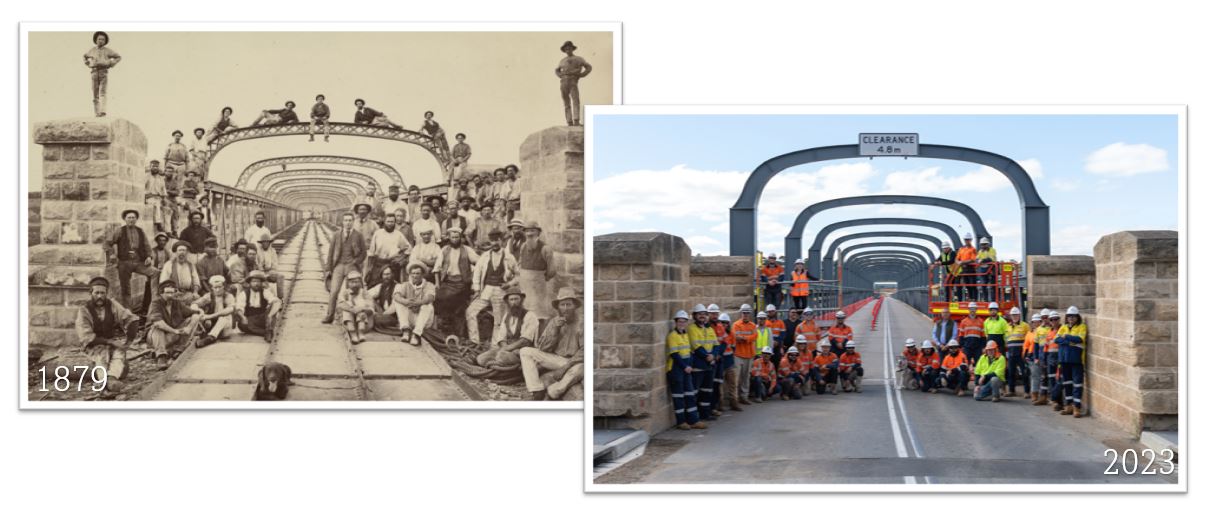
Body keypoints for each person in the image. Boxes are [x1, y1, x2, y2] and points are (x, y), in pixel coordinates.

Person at [518, 287, 584, 401]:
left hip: (573, 362)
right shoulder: (554, 321)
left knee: (583, 367)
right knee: (525, 351)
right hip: (557, 359)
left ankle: (555, 391)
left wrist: (565, 368)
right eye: (562, 305)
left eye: (569, 305)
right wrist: (555, 330)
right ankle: (536, 390)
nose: (565, 309)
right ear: (558, 307)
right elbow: (543, 348)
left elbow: (585, 351)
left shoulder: (582, 323)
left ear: (575, 306)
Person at [75, 277, 139, 391]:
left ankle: (111, 378)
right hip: (93, 345)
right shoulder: (84, 310)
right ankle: (102, 381)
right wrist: (110, 342)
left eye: (103, 293)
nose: (100, 296)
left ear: (106, 293)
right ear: (91, 293)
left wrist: (128, 342)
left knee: (119, 353)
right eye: (96, 293)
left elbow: (131, 319)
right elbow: (86, 337)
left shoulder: (112, 304)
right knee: (101, 355)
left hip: (111, 342)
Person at [466, 230, 517, 344]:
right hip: (486, 290)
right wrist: (477, 289)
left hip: (500, 291)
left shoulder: (509, 257)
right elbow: (477, 272)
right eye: (492, 241)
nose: (494, 243)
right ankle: (474, 341)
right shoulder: (485, 256)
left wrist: (509, 284)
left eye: (497, 240)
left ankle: (495, 346)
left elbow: (518, 275)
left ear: (501, 241)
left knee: (498, 321)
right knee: (470, 312)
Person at [104, 209, 158, 314]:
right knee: (126, 289)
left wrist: (149, 257)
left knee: (155, 272)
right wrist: (112, 254)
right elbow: (107, 243)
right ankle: (128, 313)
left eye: (133, 217)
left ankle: (154, 303)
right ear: (125, 219)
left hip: (138, 262)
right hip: (124, 263)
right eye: (129, 217)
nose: (131, 220)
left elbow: (147, 246)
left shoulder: (140, 231)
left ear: (136, 219)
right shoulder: (119, 231)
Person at [476, 286, 539, 367]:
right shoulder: (506, 316)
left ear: (521, 300)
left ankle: (507, 365)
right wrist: (505, 347)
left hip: (523, 351)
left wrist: (508, 349)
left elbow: (525, 340)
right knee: (481, 359)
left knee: (501, 357)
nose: (514, 302)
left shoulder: (530, 315)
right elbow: (502, 337)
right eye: (511, 300)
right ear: (508, 302)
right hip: (507, 350)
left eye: (516, 299)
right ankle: (500, 363)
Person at [146, 279, 202, 370]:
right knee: (157, 327)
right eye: (167, 293)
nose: (170, 296)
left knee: (192, 319)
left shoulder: (177, 303)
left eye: (172, 293)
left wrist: (190, 326)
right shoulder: (155, 303)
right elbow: (158, 323)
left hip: (172, 335)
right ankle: (161, 356)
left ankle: (179, 349)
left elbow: (193, 313)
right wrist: (174, 331)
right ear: (161, 293)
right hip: (156, 338)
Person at [322, 212, 367, 324]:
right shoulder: (337, 235)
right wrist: (328, 268)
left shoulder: (358, 235)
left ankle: (355, 316)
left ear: (353, 222)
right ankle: (329, 316)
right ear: (342, 222)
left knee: (354, 290)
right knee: (334, 291)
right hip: (339, 265)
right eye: (346, 220)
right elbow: (331, 252)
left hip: (352, 266)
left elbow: (363, 253)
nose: (348, 223)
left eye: (350, 220)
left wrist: (356, 261)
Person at [435, 228, 479, 338]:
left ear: (461, 238)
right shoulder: (444, 250)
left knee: (459, 307)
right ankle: (444, 330)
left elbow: (479, 263)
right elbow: (437, 268)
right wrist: (437, 283)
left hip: (462, 283)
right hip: (448, 282)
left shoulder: (467, 250)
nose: (455, 239)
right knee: (440, 300)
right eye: (453, 237)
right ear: (449, 238)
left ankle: (459, 333)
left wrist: (473, 277)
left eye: (457, 237)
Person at [665, 310, 706, 430]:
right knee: (679, 397)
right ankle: (681, 422)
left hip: (686, 368)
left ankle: (694, 421)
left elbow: (689, 352)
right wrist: (685, 367)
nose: (682, 324)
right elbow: (675, 354)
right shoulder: (672, 336)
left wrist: (690, 365)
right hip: (676, 369)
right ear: (676, 322)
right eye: (680, 321)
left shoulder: (685, 335)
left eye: (684, 322)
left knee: (690, 395)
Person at [516, 221, 557, 319]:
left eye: (533, 231)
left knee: (539, 311)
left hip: (538, 285)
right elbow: (520, 263)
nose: (529, 233)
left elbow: (552, 270)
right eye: (527, 231)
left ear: (538, 233)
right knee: (525, 308)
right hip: (524, 284)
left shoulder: (546, 248)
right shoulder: (523, 246)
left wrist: (541, 278)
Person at [1053, 306, 1088, 417]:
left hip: (1076, 360)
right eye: (1069, 316)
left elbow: (1080, 339)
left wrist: (1066, 337)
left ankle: (1076, 408)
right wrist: (1069, 341)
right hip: (1064, 360)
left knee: (1077, 384)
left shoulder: (1082, 327)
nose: (1071, 318)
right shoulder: (1063, 327)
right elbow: (1056, 339)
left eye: (1073, 316)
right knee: (1067, 383)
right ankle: (1068, 406)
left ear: (1077, 317)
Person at [392, 263, 437, 346]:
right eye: (413, 273)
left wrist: (418, 302)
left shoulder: (429, 285)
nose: (415, 276)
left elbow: (430, 297)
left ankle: (416, 335)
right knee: (399, 303)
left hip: (424, 320)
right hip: (410, 319)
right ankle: (406, 330)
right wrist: (405, 301)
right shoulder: (405, 285)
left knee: (427, 306)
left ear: (422, 274)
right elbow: (396, 296)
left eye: (417, 273)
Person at [687, 305, 719, 418]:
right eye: (699, 314)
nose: (702, 316)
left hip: (709, 365)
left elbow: (716, 344)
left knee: (707, 391)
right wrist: (707, 356)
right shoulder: (691, 328)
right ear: (694, 316)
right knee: (695, 392)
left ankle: (705, 414)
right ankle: (694, 416)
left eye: (704, 314)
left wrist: (713, 355)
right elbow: (696, 346)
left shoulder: (709, 329)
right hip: (698, 365)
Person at [365, 212, 410, 289]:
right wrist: (369, 269)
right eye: (388, 221)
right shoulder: (378, 233)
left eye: (392, 222)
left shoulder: (398, 234)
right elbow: (371, 253)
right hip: (379, 263)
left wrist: (400, 259)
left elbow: (408, 249)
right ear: (384, 222)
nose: (390, 224)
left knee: (392, 286)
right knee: (374, 285)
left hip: (392, 264)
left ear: (395, 223)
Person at [192, 275, 236, 348]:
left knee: (224, 317)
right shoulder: (209, 296)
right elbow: (194, 304)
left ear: (223, 287)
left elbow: (230, 309)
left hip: (225, 327)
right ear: (212, 288)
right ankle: (206, 335)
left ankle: (210, 338)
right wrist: (200, 312)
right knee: (196, 316)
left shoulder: (228, 296)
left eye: (220, 287)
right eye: (215, 287)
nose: (217, 290)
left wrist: (210, 316)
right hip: (211, 324)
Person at [236, 270, 281, 342]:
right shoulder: (244, 293)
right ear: (250, 283)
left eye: (258, 281)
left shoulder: (265, 291)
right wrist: (243, 317)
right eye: (254, 281)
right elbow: (239, 308)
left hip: (263, 317)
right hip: (250, 318)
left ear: (261, 283)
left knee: (274, 305)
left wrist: (270, 315)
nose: (256, 284)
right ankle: (266, 332)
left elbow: (276, 302)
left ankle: (267, 329)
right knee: (241, 325)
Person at [554, 40, 592, 126]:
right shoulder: (562, 61)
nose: (568, 50)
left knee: (575, 100)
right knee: (566, 102)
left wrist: (582, 74)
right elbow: (556, 70)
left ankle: (576, 120)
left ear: (572, 49)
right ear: (564, 50)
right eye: (566, 49)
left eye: (569, 48)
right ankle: (569, 121)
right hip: (563, 82)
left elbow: (588, 67)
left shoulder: (578, 59)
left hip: (573, 81)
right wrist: (560, 75)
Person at [83, 31, 120, 117]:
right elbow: (84, 56)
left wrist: (110, 63)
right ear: (96, 40)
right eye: (99, 39)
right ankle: (97, 113)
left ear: (105, 41)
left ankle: (103, 111)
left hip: (103, 72)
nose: (101, 41)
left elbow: (118, 57)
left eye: (103, 39)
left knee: (103, 92)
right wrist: (88, 64)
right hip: (94, 72)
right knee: (95, 94)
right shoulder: (92, 50)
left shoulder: (108, 51)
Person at [730, 304, 758, 406]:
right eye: (744, 313)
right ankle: (735, 399)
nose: (745, 315)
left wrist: (745, 338)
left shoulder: (753, 325)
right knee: (736, 378)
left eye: (747, 313)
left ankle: (744, 397)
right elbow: (736, 337)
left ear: (749, 314)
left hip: (749, 354)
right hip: (738, 354)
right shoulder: (735, 325)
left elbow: (755, 336)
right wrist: (748, 338)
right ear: (741, 313)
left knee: (746, 378)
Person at [337, 271, 375, 344]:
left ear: (360, 283)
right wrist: (352, 309)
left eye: (357, 282)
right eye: (352, 282)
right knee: (347, 307)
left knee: (361, 303)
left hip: (364, 322)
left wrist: (362, 308)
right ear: (348, 283)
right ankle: (353, 334)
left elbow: (371, 306)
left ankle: (361, 332)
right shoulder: (345, 293)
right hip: (349, 323)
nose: (354, 285)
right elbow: (340, 304)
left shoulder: (364, 293)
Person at [1003, 306, 1031, 397]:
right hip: (1011, 352)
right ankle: (1011, 390)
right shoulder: (1007, 326)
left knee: (1024, 372)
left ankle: (1027, 391)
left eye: (1016, 315)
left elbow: (1028, 339)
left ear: (1019, 315)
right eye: (1013, 315)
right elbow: (1006, 339)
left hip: (1021, 353)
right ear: (1011, 316)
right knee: (1011, 372)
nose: (1015, 317)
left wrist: (1026, 352)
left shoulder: (1025, 325)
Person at [1043, 310, 1064, 410]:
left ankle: (1056, 399)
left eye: (1056, 319)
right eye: (1052, 319)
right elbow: (1046, 347)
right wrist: (1044, 359)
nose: (1054, 321)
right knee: (1052, 380)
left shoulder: (1063, 330)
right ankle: (1056, 403)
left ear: (1059, 320)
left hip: (1060, 358)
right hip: (1051, 359)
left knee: (1059, 380)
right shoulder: (1049, 333)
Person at [1025, 312, 1046, 404]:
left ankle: (1043, 395)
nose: (1036, 324)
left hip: (1042, 355)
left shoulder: (1043, 331)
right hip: (1032, 356)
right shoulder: (1029, 333)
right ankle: (1034, 394)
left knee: (1043, 376)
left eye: (1038, 322)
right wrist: (1025, 355)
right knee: (1035, 376)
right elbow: (1026, 345)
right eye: (1034, 322)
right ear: (1032, 323)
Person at [255, 234, 285, 299]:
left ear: (269, 243)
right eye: (264, 242)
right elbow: (257, 263)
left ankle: (280, 298)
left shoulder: (273, 251)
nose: (265, 243)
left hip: (270, 271)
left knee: (280, 277)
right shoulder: (257, 251)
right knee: (262, 279)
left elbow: (275, 264)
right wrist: (262, 272)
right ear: (261, 243)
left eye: (267, 242)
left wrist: (271, 273)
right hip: (260, 272)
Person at [958, 302, 986, 366]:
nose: (972, 310)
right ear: (969, 309)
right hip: (967, 347)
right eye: (971, 309)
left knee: (978, 365)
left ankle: (977, 376)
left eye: (974, 309)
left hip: (977, 347)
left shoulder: (981, 321)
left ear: (976, 309)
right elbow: (961, 335)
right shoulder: (963, 322)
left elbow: (983, 336)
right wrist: (962, 347)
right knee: (966, 364)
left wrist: (983, 347)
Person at [144, 161, 168, 233]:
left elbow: (163, 189)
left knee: (168, 209)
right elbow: (142, 187)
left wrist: (164, 198)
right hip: (149, 197)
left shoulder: (160, 178)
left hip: (159, 197)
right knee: (156, 205)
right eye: (153, 166)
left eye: (156, 166)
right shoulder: (146, 176)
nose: (155, 168)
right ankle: (158, 223)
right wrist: (144, 197)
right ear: (150, 167)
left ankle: (168, 230)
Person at [955, 233, 978, 301]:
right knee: (967, 285)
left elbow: (972, 259)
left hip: (971, 269)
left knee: (973, 285)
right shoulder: (961, 249)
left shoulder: (973, 249)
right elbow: (957, 258)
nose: (967, 241)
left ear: (971, 240)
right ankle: (970, 298)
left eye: (968, 240)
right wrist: (959, 262)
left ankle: (974, 299)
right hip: (964, 269)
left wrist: (962, 262)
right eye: (966, 240)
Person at [975, 237, 998, 301]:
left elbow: (991, 259)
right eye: (982, 244)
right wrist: (980, 261)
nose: (983, 246)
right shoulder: (980, 252)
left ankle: (994, 300)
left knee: (993, 286)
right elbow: (976, 260)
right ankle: (985, 300)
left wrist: (982, 260)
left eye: (985, 244)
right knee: (983, 285)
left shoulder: (992, 250)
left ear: (988, 244)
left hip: (992, 269)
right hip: (983, 269)